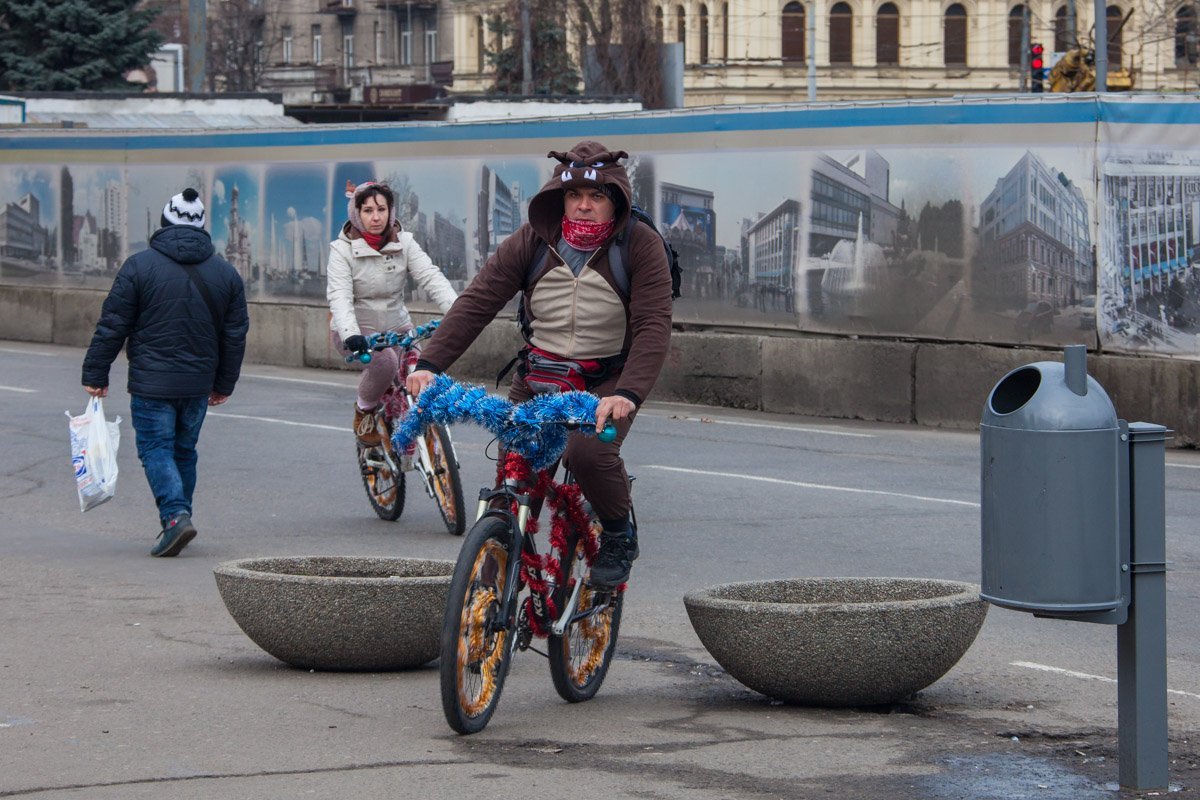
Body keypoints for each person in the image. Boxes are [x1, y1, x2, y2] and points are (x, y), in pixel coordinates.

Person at [407, 141, 673, 588]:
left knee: (587, 454)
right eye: (574, 196)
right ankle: (492, 592)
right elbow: (477, 302)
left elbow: (653, 324)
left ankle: (618, 532)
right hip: (539, 377)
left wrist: (627, 393)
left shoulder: (641, 245)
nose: (584, 206)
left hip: (604, 380)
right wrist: (430, 362)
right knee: (514, 482)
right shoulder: (532, 240)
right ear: (560, 197)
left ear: (616, 202)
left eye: (598, 197)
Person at [82, 188, 249, 557]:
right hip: (198, 383)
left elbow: (113, 325)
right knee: (184, 450)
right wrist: (224, 383)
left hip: (151, 382)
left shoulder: (138, 267)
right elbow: (234, 336)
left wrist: (96, 372)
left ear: (164, 222)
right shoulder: (227, 274)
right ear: (202, 227)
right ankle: (178, 518)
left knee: (156, 448)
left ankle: (175, 518)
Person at [327, 180, 458, 445]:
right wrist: (351, 334)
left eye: (381, 209)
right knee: (385, 363)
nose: (376, 217)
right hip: (355, 332)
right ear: (356, 213)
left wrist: (459, 312)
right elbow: (339, 297)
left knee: (421, 369)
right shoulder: (341, 250)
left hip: (397, 327)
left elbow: (431, 277)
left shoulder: (404, 242)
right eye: (367, 210)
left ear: (391, 211)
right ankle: (363, 410)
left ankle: (429, 438)